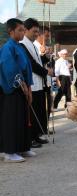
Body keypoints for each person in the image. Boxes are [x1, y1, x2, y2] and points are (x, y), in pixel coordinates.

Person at [0, 18, 35, 162]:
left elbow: (27, 67)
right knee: (11, 120)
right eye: (20, 30)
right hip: (11, 89)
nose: (22, 32)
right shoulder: (7, 47)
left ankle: (22, 147)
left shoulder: (19, 46)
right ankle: (8, 151)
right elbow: (9, 68)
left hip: (22, 87)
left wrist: (29, 86)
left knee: (22, 118)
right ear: (11, 31)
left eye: (23, 29)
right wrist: (22, 85)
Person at [20, 18, 53, 148]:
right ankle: (31, 137)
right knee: (31, 113)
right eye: (34, 32)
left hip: (38, 83)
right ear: (26, 30)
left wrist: (46, 57)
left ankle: (36, 135)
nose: (36, 34)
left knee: (39, 110)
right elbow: (31, 64)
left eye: (37, 32)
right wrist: (46, 72)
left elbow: (38, 61)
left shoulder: (33, 44)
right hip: (31, 83)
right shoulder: (23, 44)